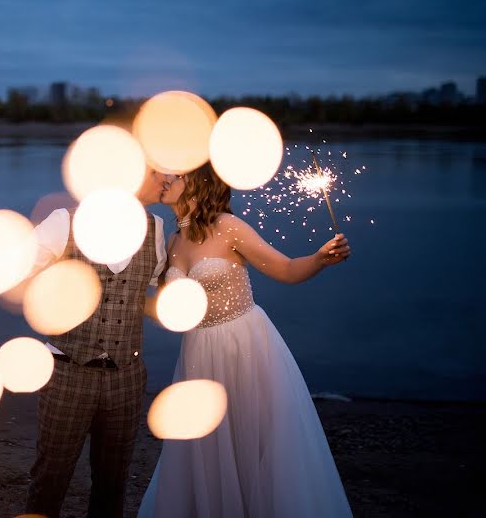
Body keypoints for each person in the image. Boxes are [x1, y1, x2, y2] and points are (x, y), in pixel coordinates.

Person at [137, 163, 353, 518]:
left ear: (196, 181)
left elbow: (285, 269)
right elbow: (169, 311)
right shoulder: (171, 242)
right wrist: (118, 297)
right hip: (198, 356)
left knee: (253, 441)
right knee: (204, 446)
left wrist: (318, 260)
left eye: (173, 175)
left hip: (245, 348)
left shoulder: (228, 227)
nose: (163, 180)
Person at [0, 168, 168, 517]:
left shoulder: (155, 229)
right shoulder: (65, 222)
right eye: (157, 172)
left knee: (114, 481)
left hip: (126, 376)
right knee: (52, 474)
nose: (165, 178)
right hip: (68, 372)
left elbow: (150, 291)